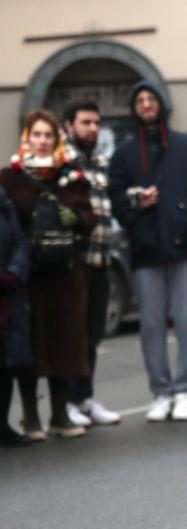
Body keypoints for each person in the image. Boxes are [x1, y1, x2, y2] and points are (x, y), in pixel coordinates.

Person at [108, 82, 187, 422]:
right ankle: (160, 392)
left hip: (186, 247)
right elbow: (115, 198)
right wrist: (135, 205)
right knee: (152, 325)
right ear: (134, 108)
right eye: (139, 101)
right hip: (146, 249)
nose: (146, 105)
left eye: (150, 99)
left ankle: (186, 389)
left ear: (161, 104)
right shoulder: (124, 153)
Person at [0, 109, 96, 438]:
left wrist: (73, 216)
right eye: (36, 135)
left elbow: (89, 218)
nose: (42, 142)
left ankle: (60, 415)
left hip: (66, 274)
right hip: (28, 276)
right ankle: (31, 417)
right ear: (26, 138)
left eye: (48, 136)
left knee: (65, 342)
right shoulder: (9, 178)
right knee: (30, 344)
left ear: (57, 140)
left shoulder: (71, 175)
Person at [61, 101, 121, 427]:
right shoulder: (60, 162)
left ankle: (85, 398)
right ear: (69, 126)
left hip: (100, 259)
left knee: (92, 336)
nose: (92, 129)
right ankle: (67, 402)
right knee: (73, 334)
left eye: (96, 123)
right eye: (85, 123)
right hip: (73, 263)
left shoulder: (99, 162)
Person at [0, 184, 32, 446]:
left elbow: (20, 240)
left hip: (6, 292)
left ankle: (2, 426)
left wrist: (13, 271)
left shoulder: (3, 199)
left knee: (5, 362)